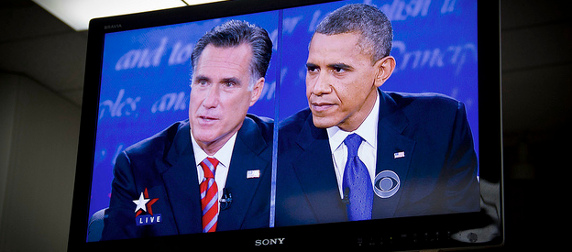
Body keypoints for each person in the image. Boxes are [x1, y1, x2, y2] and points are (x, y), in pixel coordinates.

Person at [275, 4, 479, 227]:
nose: (318, 88)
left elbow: (463, 232)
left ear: (382, 72)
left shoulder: (442, 124)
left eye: (338, 70)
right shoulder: (278, 146)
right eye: (313, 69)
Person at [102, 20, 274, 240]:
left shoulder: (280, 149)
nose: (209, 101)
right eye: (203, 82)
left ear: (255, 91)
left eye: (228, 84)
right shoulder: (138, 165)